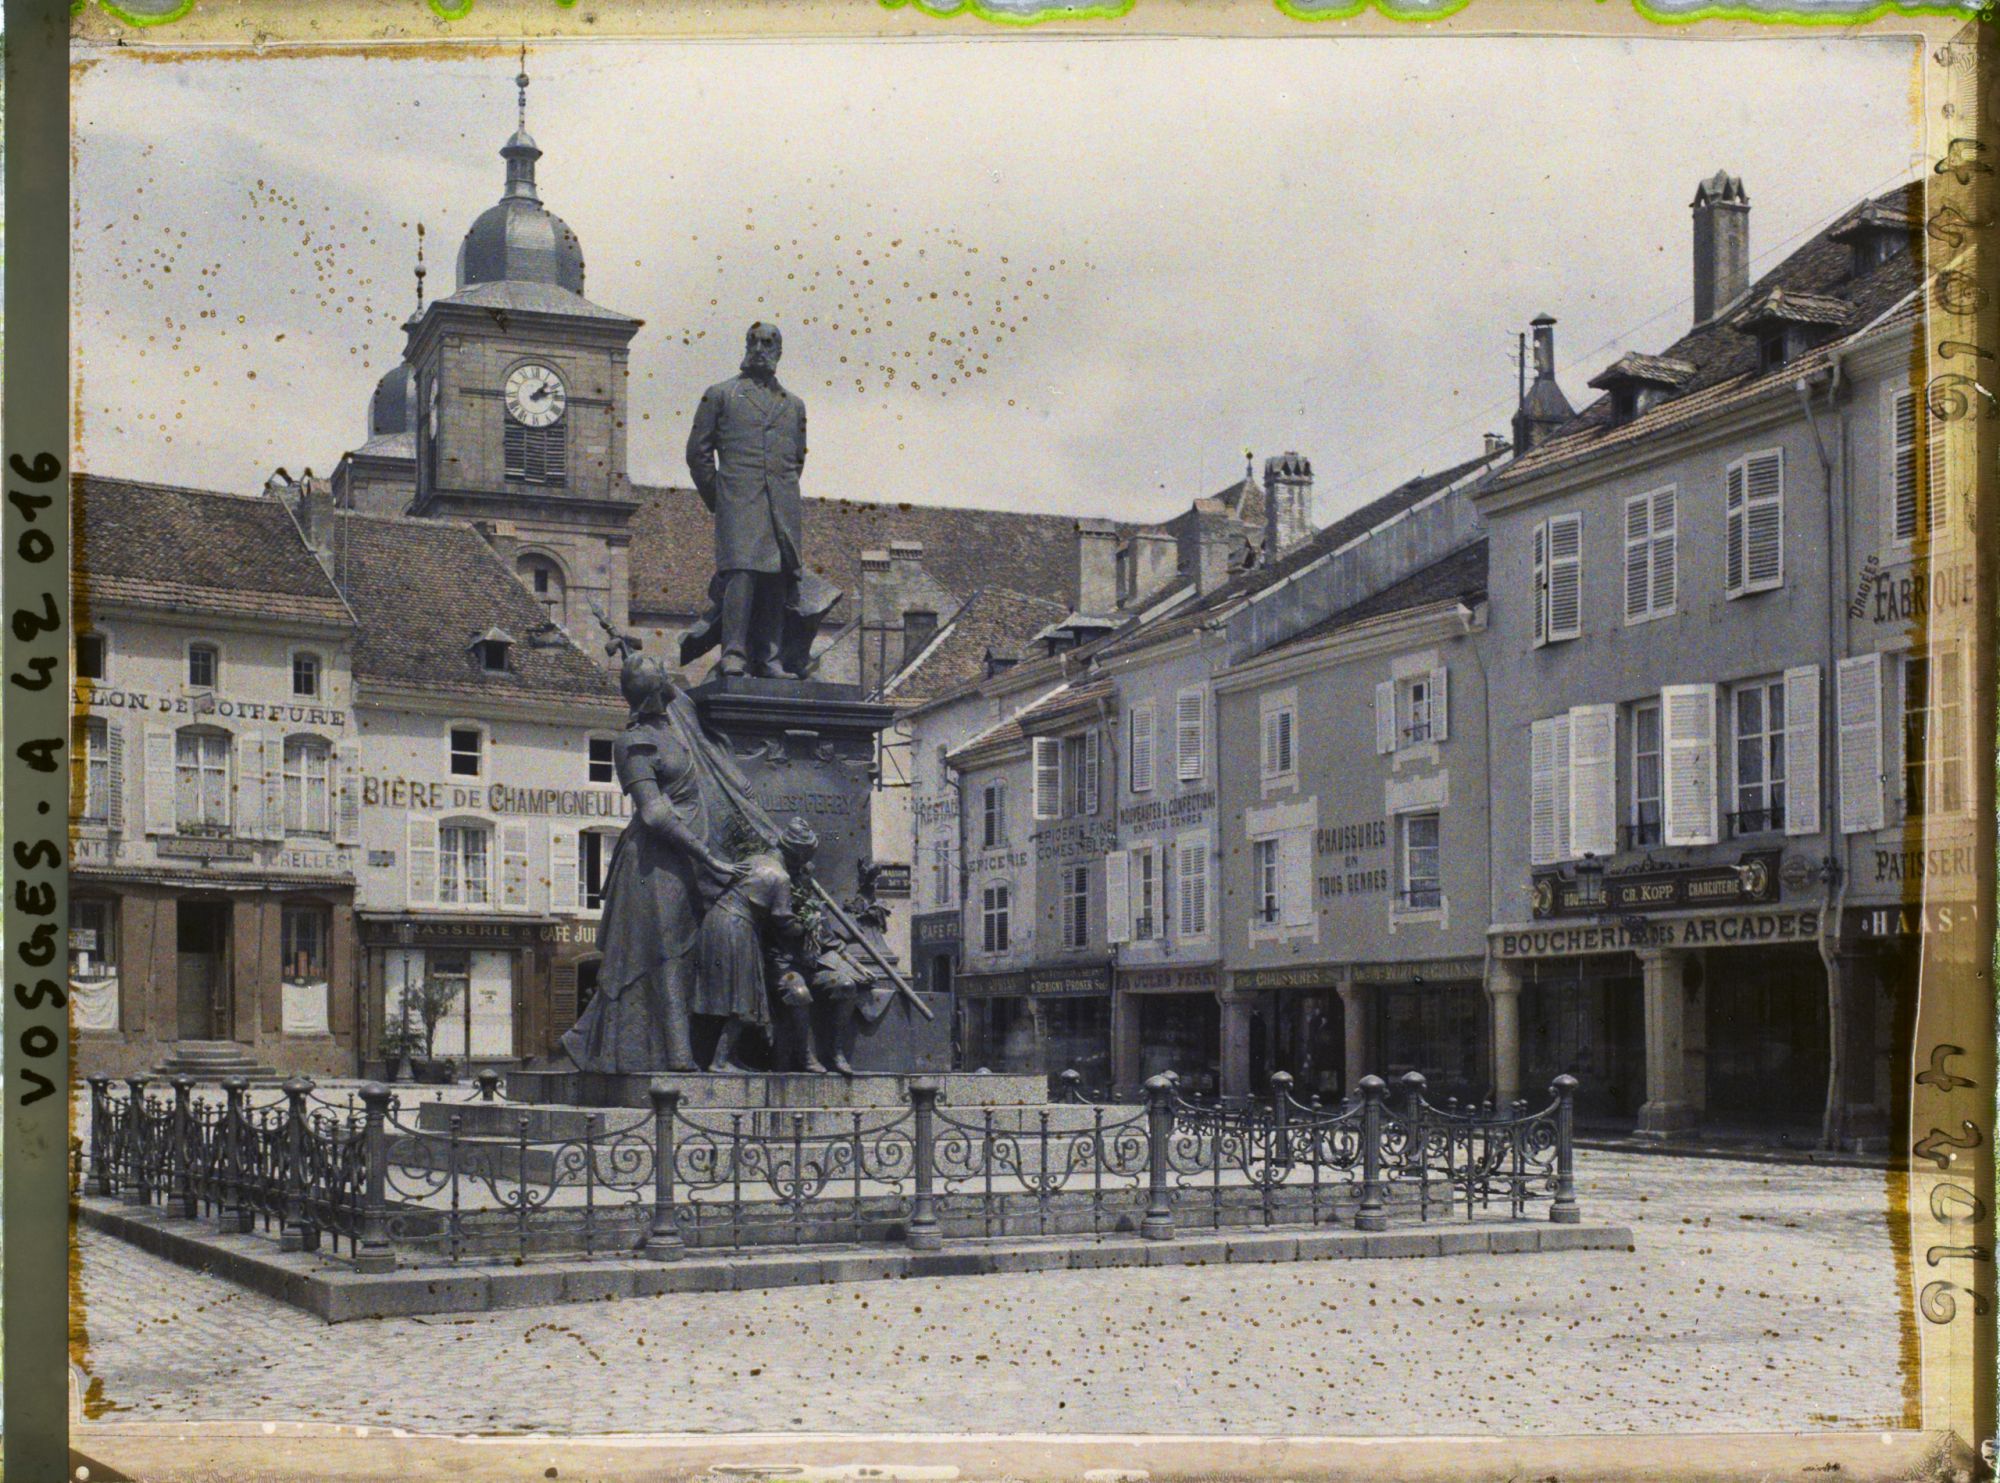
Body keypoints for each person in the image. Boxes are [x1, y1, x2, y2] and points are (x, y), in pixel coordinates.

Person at [560, 653, 744, 1073]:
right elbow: (654, 813)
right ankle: (673, 1056)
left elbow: (678, 693)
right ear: (653, 690)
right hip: (655, 863)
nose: (670, 677)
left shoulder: (678, 719)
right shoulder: (633, 742)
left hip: (690, 860)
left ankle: (664, 1049)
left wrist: (630, 648)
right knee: (663, 954)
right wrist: (708, 857)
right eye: (663, 674)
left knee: (687, 952)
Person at [684, 322, 809, 679]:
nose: (759, 348)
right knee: (742, 574)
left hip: (781, 504)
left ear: (779, 352)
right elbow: (698, 454)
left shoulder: (794, 406)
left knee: (776, 577)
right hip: (738, 501)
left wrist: (780, 490)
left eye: (768, 342)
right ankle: (734, 653)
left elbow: (797, 458)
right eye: (753, 341)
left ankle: (769, 658)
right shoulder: (721, 394)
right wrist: (721, 498)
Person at [690, 825, 808, 1073]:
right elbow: (782, 919)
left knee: (728, 995)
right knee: (745, 998)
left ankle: (729, 1057)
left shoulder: (755, 860)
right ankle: (719, 1061)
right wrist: (804, 927)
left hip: (715, 922)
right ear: (798, 856)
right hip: (737, 929)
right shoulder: (781, 877)